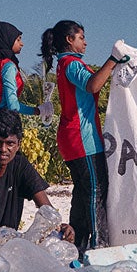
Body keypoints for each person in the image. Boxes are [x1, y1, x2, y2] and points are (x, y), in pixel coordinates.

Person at [39, 20, 128, 254]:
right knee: (95, 192)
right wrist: (113, 59)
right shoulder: (70, 64)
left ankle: (76, 247)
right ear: (70, 40)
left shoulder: (65, 64)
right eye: (81, 37)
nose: (85, 42)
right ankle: (99, 248)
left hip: (73, 139)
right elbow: (93, 85)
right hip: (82, 139)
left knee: (82, 194)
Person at [0, 108, 73, 241]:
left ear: (18, 145)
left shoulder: (19, 165)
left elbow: (47, 210)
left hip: (8, 245)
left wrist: (60, 227)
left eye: (10, 143)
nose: (3, 149)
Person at [0, 18, 52, 119]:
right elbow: (13, 105)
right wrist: (38, 111)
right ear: (7, 40)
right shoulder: (8, 66)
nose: (22, 43)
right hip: (5, 122)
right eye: (18, 39)